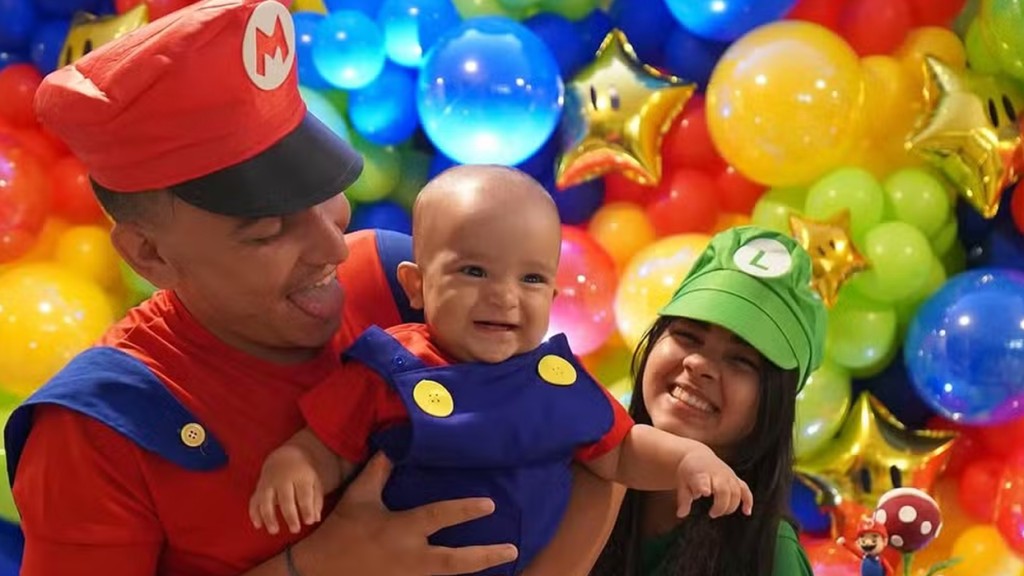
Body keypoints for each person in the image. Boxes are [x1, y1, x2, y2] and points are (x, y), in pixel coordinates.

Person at [1, 1, 621, 574]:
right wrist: (319, 565)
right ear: (150, 253)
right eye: (268, 231)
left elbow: (594, 452)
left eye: (326, 194)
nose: (332, 247)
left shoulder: (396, 279)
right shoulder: (94, 432)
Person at [247, 165, 754, 575]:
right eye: (474, 271)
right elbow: (329, 446)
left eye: (530, 279)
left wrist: (687, 459)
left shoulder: (557, 378)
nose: (504, 296)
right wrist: (295, 465)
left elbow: (620, 452)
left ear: (552, 297)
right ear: (417, 285)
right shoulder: (392, 368)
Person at [591, 226, 827, 576]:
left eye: (740, 360)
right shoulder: (575, 480)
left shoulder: (769, 555)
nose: (698, 364)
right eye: (687, 336)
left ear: (774, 404)